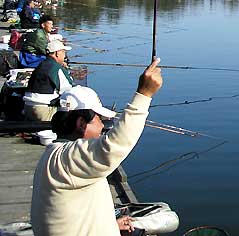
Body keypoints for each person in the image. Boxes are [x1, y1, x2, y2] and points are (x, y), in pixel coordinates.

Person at [31, 58, 163, 236]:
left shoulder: (56, 156)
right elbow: (115, 145)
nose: (103, 126)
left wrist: (109, 224)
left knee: (164, 211)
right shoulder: (67, 159)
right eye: (99, 119)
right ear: (80, 123)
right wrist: (144, 94)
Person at [22, 40, 75, 121]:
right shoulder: (56, 68)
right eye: (64, 52)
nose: (65, 56)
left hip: (27, 108)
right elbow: (69, 91)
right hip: (43, 110)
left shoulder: (41, 65)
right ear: (57, 53)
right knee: (72, 113)